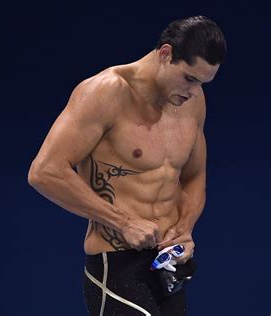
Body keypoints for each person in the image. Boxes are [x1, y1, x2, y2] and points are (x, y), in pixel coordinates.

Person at [27, 16, 226, 315]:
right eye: (189, 78)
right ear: (165, 54)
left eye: (202, 82)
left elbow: (194, 177)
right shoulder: (106, 92)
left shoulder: (193, 101)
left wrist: (185, 227)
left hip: (167, 267)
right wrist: (123, 222)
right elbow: (44, 172)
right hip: (115, 264)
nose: (194, 91)